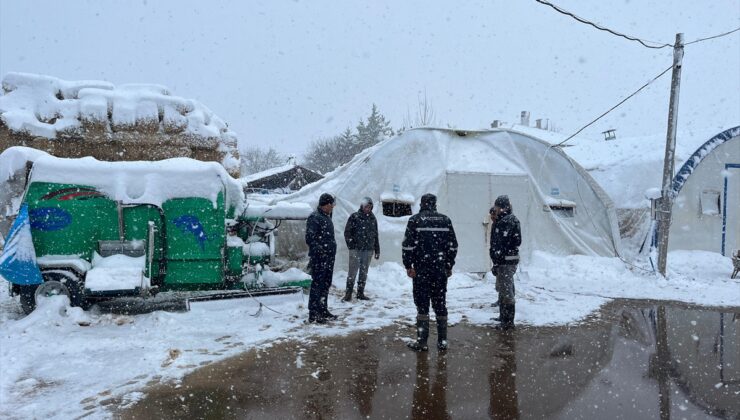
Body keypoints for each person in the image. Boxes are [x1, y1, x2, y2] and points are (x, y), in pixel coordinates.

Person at [402, 193, 458, 351]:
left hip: (421, 270)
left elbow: (407, 246)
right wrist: (448, 265)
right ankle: (442, 341)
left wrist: (409, 265)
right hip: (439, 270)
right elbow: (453, 246)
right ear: (434, 204)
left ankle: (422, 342)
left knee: (422, 305)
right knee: (440, 303)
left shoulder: (415, 220)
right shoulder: (445, 220)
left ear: (422, 204)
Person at [489, 195, 521, 330]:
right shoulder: (503, 220)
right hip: (504, 260)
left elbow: (505, 242)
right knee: (503, 288)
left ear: (501, 207)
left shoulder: (508, 221)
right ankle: (503, 318)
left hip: (506, 261)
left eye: (496, 207)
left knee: (506, 290)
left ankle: (508, 323)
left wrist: (498, 258)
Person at [305, 193, 338, 323]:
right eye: (331, 205)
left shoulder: (326, 217)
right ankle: (313, 313)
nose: (332, 207)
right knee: (317, 285)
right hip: (319, 259)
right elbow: (310, 238)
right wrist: (321, 251)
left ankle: (323, 309)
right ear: (326, 204)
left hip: (329, 258)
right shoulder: (315, 217)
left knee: (325, 284)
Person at [343, 197, 380, 302]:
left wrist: (377, 250)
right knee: (352, 272)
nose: (368, 209)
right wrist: (352, 246)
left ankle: (360, 293)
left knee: (364, 272)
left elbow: (375, 235)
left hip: (368, 250)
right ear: (362, 206)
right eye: (366, 206)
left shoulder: (373, 219)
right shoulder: (354, 217)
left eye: (370, 207)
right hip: (356, 250)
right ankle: (348, 294)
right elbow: (347, 233)